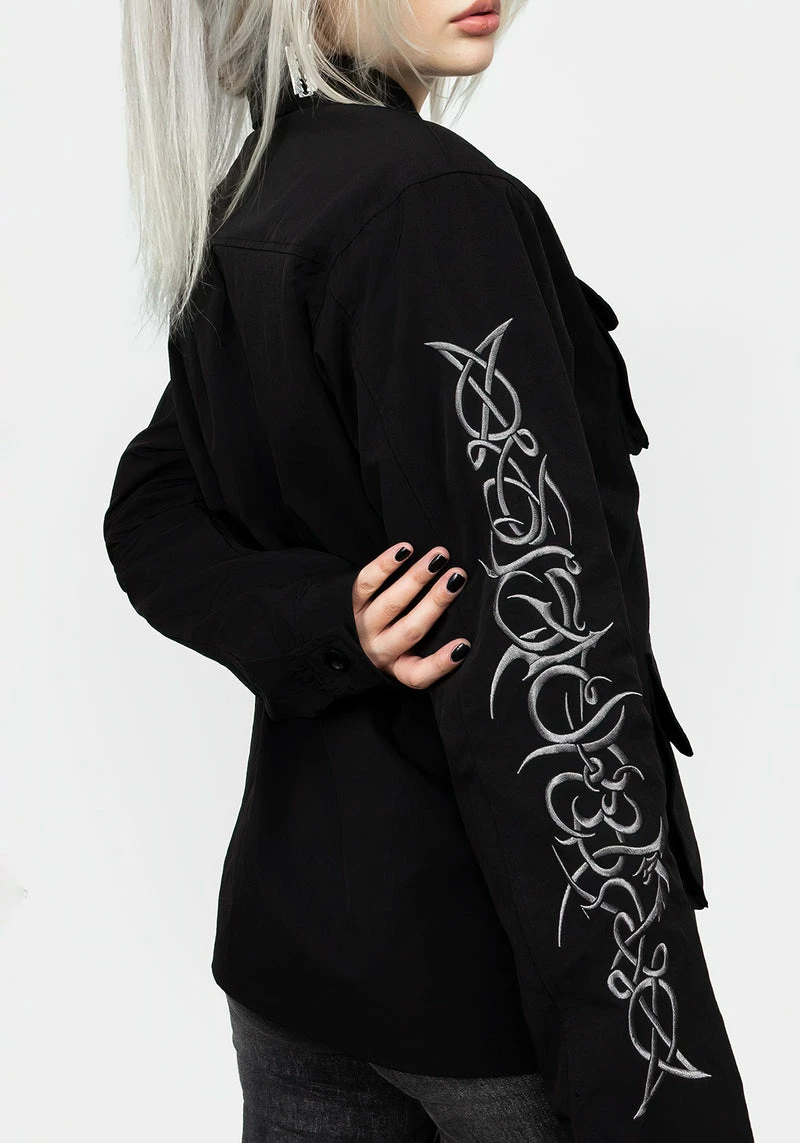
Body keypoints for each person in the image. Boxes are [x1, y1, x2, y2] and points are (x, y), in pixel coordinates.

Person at [103, 1, 755, 1140]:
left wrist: (324, 619)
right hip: (482, 984)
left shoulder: (257, 194)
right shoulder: (430, 205)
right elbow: (548, 675)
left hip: (296, 955)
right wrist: (652, 1079)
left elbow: (152, 507)